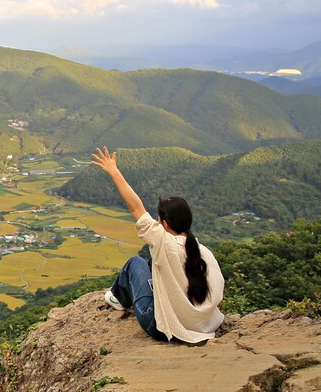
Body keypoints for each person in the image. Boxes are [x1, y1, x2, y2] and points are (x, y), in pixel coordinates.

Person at [91, 146, 224, 343]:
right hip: (203, 327)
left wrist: (114, 171)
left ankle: (117, 298)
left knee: (135, 263)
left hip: (162, 327)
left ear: (165, 224)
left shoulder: (164, 242)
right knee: (149, 264)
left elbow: (135, 207)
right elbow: (217, 296)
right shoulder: (203, 252)